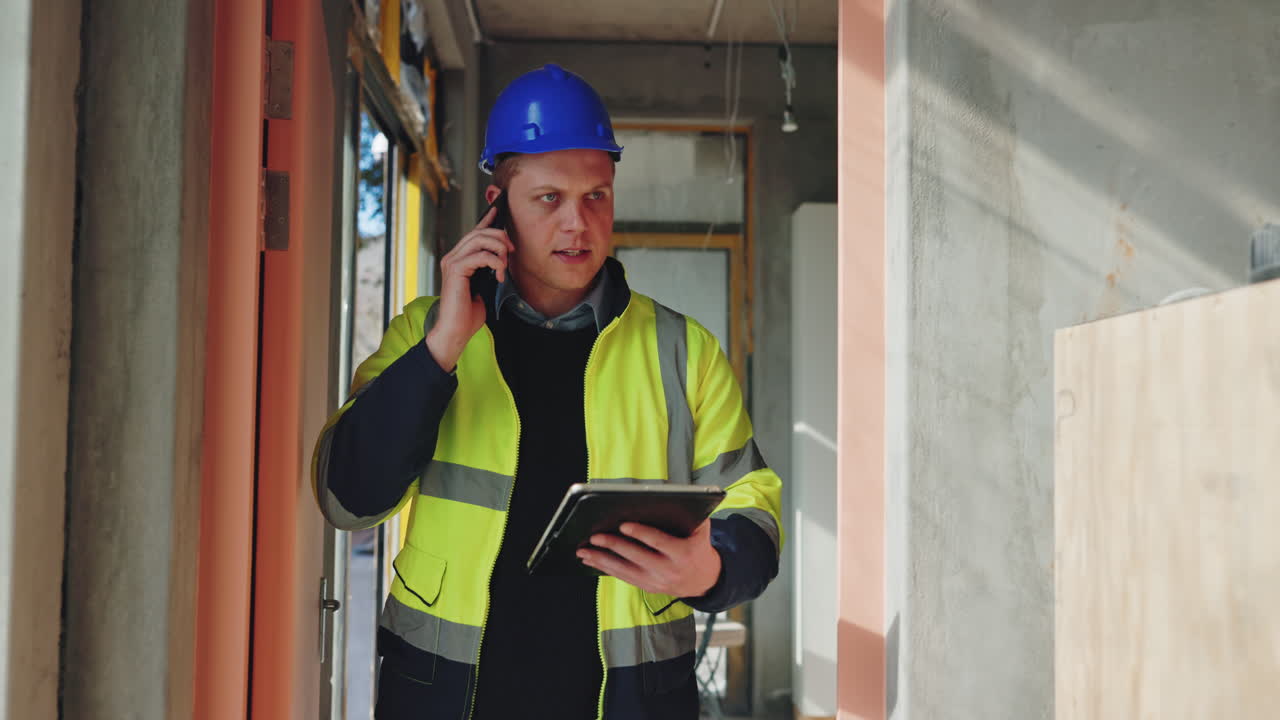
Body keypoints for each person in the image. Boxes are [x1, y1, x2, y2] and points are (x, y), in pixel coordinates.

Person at [312, 63, 783, 720]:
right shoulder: (425, 335)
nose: (577, 224)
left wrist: (709, 570)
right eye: (548, 199)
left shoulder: (684, 351)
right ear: (496, 205)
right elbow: (346, 497)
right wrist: (439, 354)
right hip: (446, 700)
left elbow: (755, 511)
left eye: (597, 196)